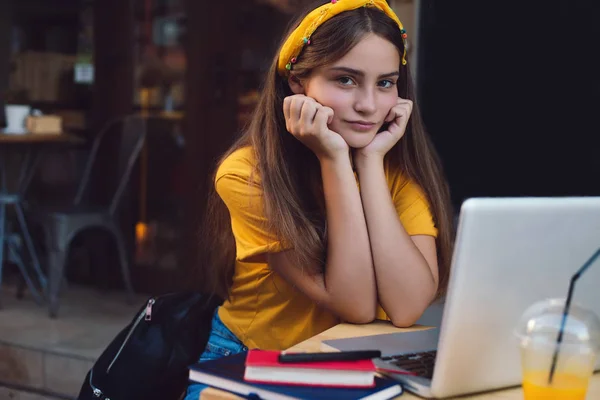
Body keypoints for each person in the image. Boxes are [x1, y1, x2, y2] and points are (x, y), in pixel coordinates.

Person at [185, 0, 454, 397]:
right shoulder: (248, 173)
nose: (369, 105)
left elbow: (408, 305)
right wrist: (333, 158)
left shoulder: (395, 172)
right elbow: (357, 305)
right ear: (297, 83)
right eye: (346, 80)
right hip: (254, 364)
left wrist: (372, 162)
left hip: (359, 366)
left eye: (385, 82)